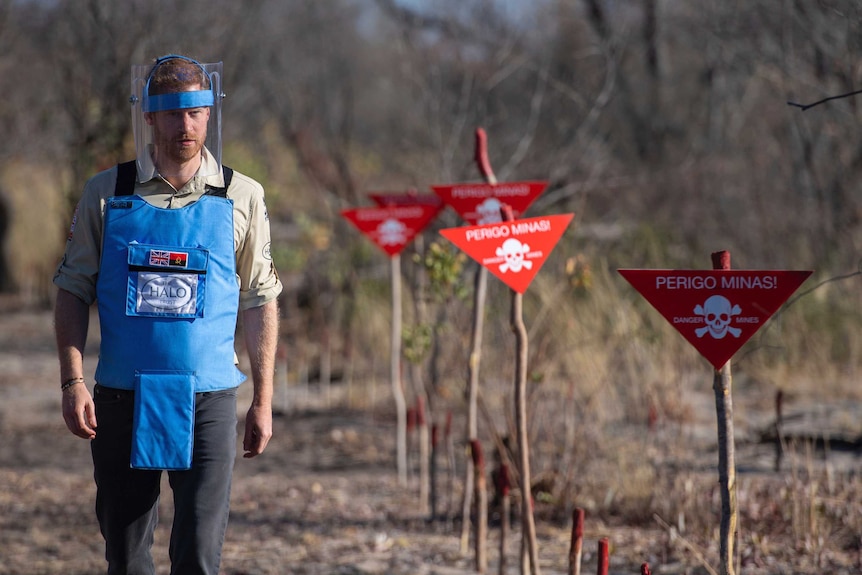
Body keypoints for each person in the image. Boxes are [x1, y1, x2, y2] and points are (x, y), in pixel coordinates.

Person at [53, 54, 282, 575]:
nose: (186, 125)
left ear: (210, 113)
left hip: (210, 400)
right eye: (173, 113)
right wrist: (72, 381)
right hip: (121, 398)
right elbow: (70, 288)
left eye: (197, 111)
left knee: (200, 554)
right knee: (127, 555)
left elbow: (260, 298)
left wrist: (263, 400)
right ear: (149, 117)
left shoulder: (241, 196)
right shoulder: (107, 194)